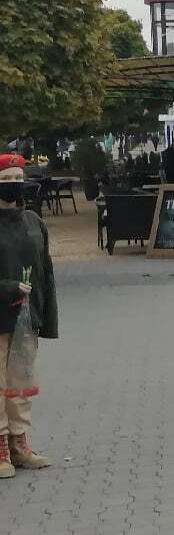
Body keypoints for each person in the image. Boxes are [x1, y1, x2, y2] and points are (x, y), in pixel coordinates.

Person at [0, 154, 58, 479]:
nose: (13, 186)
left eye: (17, 179)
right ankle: (0, 449)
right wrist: (8, 287)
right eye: (6, 180)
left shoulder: (34, 221)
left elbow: (45, 271)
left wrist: (45, 315)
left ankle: (19, 444)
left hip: (26, 318)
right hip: (0, 315)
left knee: (21, 384)